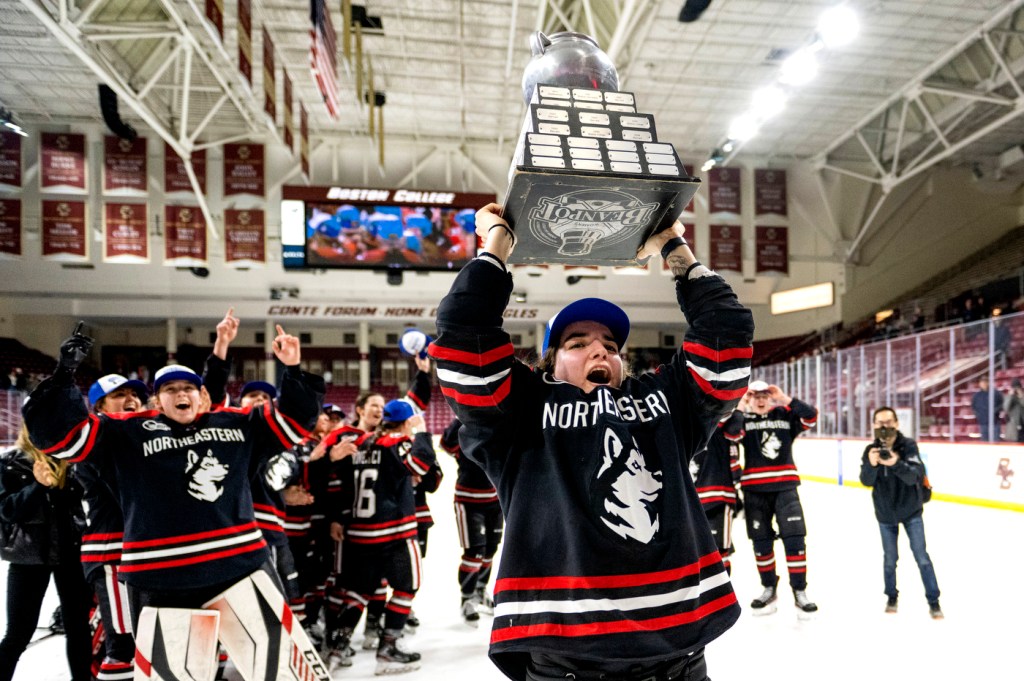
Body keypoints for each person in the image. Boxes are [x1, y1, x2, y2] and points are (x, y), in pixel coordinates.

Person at [429, 203, 754, 681]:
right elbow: (462, 335)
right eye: (577, 343)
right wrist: (496, 244)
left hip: (681, 658)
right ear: (550, 363)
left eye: (611, 345)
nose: (600, 348)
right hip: (569, 664)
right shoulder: (518, 412)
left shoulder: (666, 403)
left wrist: (672, 247)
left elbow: (727, 335)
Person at [21, 322, 325, 674]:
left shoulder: (236, 424)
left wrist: (292, 367)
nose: (181, 394)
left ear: (200, 395)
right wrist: (64, 373)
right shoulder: (123, 432)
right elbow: (59, 437)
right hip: (163, 579)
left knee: (281, 668)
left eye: (188, 388)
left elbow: (296, 422)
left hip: (239, 569)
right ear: (158, 399)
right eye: (170, 389)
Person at [324, 400, 433, 675]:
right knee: (407, 587)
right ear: (407, 421)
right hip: (394, 531)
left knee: (358, 592)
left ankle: (337, 648)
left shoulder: (363, 443)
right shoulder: (398, 441)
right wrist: (422, 434)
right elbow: (420, 465)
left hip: (361, 533)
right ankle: (388, 649)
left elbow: (344, 483)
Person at [0, 426, 93, 681]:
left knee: (78, 629)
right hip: (28, 557)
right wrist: (38, 487)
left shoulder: (73, 460)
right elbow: (7, 511)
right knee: (18, 633)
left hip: (72, 555)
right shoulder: (11, 462)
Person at [77, 373, 149, 681]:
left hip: (136, 553)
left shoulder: (135, 441)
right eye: (120, 395)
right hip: (112, 556)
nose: (131, 399)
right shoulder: (97, 445)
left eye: (134, 393)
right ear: (99, 408)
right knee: (123, 646)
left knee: (142, 641)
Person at [734, 380, 819, 616]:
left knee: (794, 540)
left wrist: (785, 399)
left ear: (771, 397)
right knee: (761, 543)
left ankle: (800, 592)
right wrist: (741, 404)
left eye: (765, 395)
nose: (761, 400)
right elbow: (729, 433)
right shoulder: (743, 420)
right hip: (753, 491)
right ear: (750, 398)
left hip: (785, 489)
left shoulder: (784, 414)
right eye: (755, 396)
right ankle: (768, 587)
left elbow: (811, 417)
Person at [859, 406, 943, 619]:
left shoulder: (908, 446)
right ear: (874, 425)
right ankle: (891, 596)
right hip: (885, 515)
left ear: (896, 423)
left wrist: (895, 463)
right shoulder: (871, 450)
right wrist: (871, 464)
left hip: (911, 512)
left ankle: (933, 600)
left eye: (888, 422)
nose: (884, 427)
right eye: (879, 423)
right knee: (890, 559)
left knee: (921, 556)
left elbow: (914, 476)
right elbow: (866, 481)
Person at [440, 417, 503, 626]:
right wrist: (461, 415)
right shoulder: (465, 427)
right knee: (474, 551)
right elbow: (445, 444)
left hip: (495, 499)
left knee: (490, 550)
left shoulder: (498, 422)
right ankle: (466, 599)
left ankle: (479, 590)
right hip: (468, 500)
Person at [970, 376, 1002, 442]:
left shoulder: (996, 393)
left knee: (996, 442)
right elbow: (973, 407)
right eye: (982, 382)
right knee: (985, 442)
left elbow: (1001, 404)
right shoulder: (976, 396)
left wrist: (995, 411)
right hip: (983, 423)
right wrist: (978, 415)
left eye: (985, 382)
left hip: (994, 422)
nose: (984, 384)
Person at [1005, 379, 1024, 443]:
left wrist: (1021, 396)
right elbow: (1006, 408)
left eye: (1018, 387)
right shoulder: (1008, 396)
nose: (1016, 389)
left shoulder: (1022, 395)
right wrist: (1010, 395)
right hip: (1013, 425)